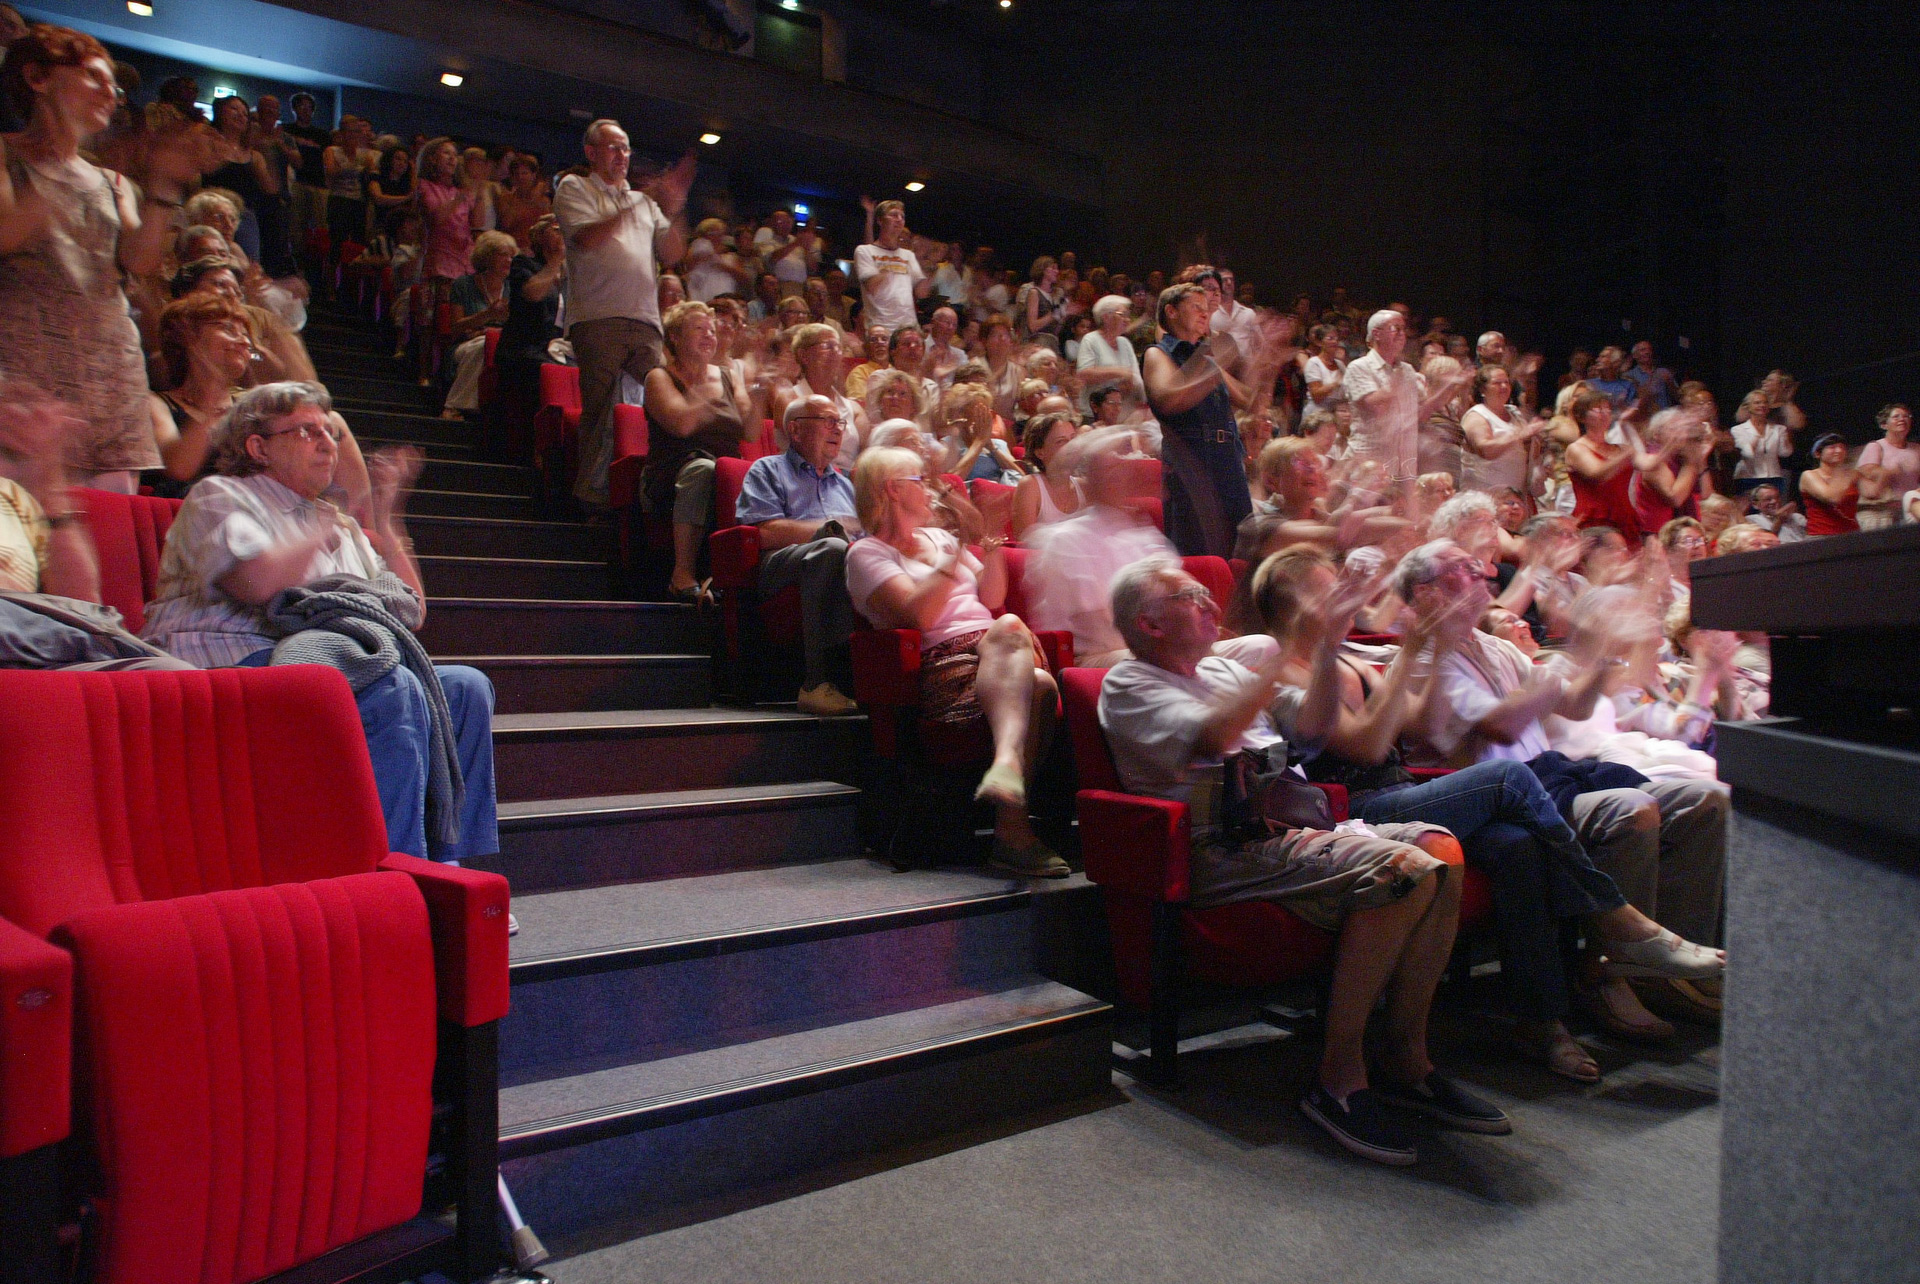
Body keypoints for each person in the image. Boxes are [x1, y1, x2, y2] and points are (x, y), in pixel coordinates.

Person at [1255, 545, 1722, 1081]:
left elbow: (1413, 728)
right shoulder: (1283, 673)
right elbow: (1362, 749)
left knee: (1516, 845)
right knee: (1511, 776)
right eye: (1329, 586)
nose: (1347, 591)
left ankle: (1542, 1022)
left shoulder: (1355, 659)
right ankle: (1617, 919)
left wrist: (1418, 645)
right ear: (1293, 605)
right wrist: (1413, 649)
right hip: (1351, 810)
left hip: (1403, 790)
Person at [1098, 557, 1506, 1163]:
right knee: (1403, 872)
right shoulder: (1129, 682)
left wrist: (1327, 647)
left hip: (1293, 826)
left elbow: (1314, 727)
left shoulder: (1219, 667)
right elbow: (1213, 737)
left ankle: (1407, 1059)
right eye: (1190, 597)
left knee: (1440, 850)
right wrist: (1277, 657)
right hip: (1223, 848)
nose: (1212, 604)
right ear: (1150, 625)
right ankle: (1338, 1079)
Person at [139, 383, 499, 865]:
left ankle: (455, 867)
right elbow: (257, 582)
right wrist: (321, 528)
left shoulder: (337, 523)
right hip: (233, 660)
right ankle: (398, 871)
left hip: (327, 657)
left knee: (465, 688)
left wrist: (386, 522)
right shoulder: (219, 496)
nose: (329, 444)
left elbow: (411, 609)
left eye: (331, 432)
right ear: (258, 446)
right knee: (389, 684)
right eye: (308, 432)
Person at [1398, 539, 1731, 1034]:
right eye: (1460, 572)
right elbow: (1503, 725)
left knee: (1706, 799)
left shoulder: (1496, 647)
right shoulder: (1427, 657)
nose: (1479, 576)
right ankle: (1607, 977)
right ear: (1423, 594)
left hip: (1549, 778)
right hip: (1503, 798)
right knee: (1630, 808)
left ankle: (1663, 974)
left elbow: (1573, 705)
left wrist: (1602, 656)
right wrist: (1568, 662)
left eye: (1475, 569)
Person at [0, 25, 211, 494]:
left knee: (102, 534)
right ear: (37, 77)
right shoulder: (5, 155)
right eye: (94, 77)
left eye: (114, 85)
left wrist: (161, 184)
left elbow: (140, 263)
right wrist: (54, 167)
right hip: (25, 372)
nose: (111, 94)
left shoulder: (114, 182)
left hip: (109, 375)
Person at [847, 445, 1065, 876]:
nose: (930, 490)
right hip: (943, 665)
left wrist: (988, 545)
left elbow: (992, 597)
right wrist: (956, 550)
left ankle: (1009, 799)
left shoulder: (940, 539)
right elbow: (921, 615)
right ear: (892, 489)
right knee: (1039, 684)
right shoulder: (865, 554)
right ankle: (1011, 827)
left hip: (998, 649)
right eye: (919, 481)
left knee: (1007, 625)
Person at [1027, 426, 1276, 669]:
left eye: (1125, 467)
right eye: (1113, 467)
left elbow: (1184, 594)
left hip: (1168, 641)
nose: (1126, 473)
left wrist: (1200, 627)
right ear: (1091, 477)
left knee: (1262, 647)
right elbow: (1105, 624)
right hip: (1109, 655)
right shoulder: (1064, 539)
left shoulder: (1143, 532)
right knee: (1189, 663)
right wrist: (1182, 635)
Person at [554, 119, 693, 511]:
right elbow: (586, 238)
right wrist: (633, 202)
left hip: (646, 319)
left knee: (662, 405)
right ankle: (589, 500)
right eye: (613, 148)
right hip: (598, 318)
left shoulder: (645, 203)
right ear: (591, 152)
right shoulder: (574, 188)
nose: (622, 156)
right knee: (598, 413)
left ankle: (652, 491)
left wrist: (675, 209)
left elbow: (672, 254)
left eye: (626, 148)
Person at [735, 394, 863, 715]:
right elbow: (764, 532)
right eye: (827, 421)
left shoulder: (846, 485)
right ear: (795, 431)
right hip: (781, 564)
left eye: (840, 422)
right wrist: (829, 528)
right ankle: (816, 683)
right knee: (832, 545)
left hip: (841, 561)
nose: (838, 429)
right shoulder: (768, 469)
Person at [1145, 282, 1279, 558]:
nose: (1205, 313)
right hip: (1192, 461)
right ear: (1171, 311)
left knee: (1239, 546)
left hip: (1226, 458)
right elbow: (1168, 400)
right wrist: (1210, 354)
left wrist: (1266, 364)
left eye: (1206, 308)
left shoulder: (1207, 357)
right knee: (1198, 547)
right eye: (1195, 306)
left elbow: (1251, 402)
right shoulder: (1158, 354)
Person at [641, 300, 753, 600]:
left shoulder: (729, 376)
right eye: (699, 329)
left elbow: (751, 431)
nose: (709, 335)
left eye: (712, 330)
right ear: (674, 337)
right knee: (703, 470)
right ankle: (682, 573)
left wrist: (764, 391)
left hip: (726, 468)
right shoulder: (659, 377)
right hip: (673, 473)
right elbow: (681, 425)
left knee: (759, 477)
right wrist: (703, 391)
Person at [1342, 309, 1471, 501]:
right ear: (1376, 333)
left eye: (1403, 329)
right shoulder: (1360, 367)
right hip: (1367, 462)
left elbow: (1423, 412)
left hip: (1400, 466)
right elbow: (1376, 406)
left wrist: (1448, 386)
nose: (1402, 334)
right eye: (1396, 328)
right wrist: (1397, 378)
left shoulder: (1407, 370)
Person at [146, 293, 251, 497]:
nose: (245, 342)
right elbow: (178, 468)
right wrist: (211, 396)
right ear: (188, 338)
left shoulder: (252, 406)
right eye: (228, 329)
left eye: (246, 335)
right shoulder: (155, 403)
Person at [1566, 387, 1682, 547]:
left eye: (1607, 408)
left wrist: (1673, 441)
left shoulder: (1620, 448)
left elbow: (1649, 463)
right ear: (1581, 417)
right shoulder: (1576, 448)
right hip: (1595, 519)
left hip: (1623, 516)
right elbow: (1597, 473)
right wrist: (1624, 455)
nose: (1604, 413)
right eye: (1598, 409)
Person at [494, 213, 566, 457]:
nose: (563, 233)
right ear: (539, 235)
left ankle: (564, 449)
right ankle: (539, 448)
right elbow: (533, 294)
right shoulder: (524, 265)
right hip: (526, 347)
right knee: (547, 371)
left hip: (561, 348)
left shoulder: (575, 274)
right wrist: (555, 262)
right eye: (557, 228)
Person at [439, 230, 515, 420]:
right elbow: (455, 327)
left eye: (511, 256)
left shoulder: (513, 288)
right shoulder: (463, 284)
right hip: (466, 343)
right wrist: (488, 314)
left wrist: (492, 331)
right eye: (502, 254)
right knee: (482, 347)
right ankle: (454, 405)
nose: (508, 260)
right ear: (487, 257)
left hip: (502, 341)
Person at [1460, 364, 1540, 499]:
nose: (1504, 387)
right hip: (1484, 495)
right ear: (1482, 390)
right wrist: (1519, 435)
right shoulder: (1477, 415)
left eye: (1506, 382)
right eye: (1497, 383)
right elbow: (1486, 450)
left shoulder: (1514, 413)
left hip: (1515, 493)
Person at [853, 199, 930, 333]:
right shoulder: (864, 251)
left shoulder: (908, 255)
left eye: (902, 216)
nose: (899, 219)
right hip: (881, 329)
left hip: (909, 328)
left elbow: (922, 293)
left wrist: (929, 262)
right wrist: (892, 265)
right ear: (880, 220)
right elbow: (872, 287)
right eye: (894, 215)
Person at [1010, 410, 1083, 540]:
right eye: (1061, 441)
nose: (1072, 446)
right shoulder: (1030, 486)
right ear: (1040, 452)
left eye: (1073, 438)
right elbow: (1023, 543)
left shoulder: (1084, 486)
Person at [1074, 293, 1141, 414]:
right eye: (1123, 315)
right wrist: (1119, 372)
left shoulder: (1124, 343)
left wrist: (1130, 382)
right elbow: (1084, 374)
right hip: (1094, 413)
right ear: (1106, 317)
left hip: (1122, 412)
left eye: (1128, 315)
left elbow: (1135, 377)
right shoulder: (1091, 339)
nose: (1128, 320)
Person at [1857, 403, 1916, 531]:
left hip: (1912, 510)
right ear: (1884, 424)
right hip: (1885, 514)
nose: (1902, 419)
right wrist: (1890, 471)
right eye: (1896, 416)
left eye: (1906, 416)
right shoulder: (1876, 447)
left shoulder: (1916, 449)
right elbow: (1867, 475)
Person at [1730, 389, 1793, 494]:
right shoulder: (1738, 430)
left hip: (1773, 477)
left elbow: (1785, 453)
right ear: (1748, 407)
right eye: (1757, 403)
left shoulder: (1779, 429)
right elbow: (1748, 453)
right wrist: (1759, 436)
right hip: (1748, 478)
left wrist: (1786, 437)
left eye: (1765, 402)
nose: (1762, 405)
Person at [1797, 432, 1861, 536]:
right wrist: (1842, 471)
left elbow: (1872, 492)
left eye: (1842, 447)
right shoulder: (1809, 475)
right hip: (1822, 536)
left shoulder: (1852, 474)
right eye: (1832, 447)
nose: (1839, 450)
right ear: (1818, 453)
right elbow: (1831, 498)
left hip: (1852, 533)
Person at [494, 153, 549, 252]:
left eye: (524, 173)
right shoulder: (506, 198)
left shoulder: (544, 199)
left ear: (533, 175)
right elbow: (506, 225)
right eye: (516, 174)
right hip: (514, 248)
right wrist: (517, 198)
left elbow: (547, 226)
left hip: (539, 249)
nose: (520, 177)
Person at [1622, 340, 1678, 410]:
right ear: (1634, 355)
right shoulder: (1628, 375)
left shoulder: (1663, 372)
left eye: (1649, 350)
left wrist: (1670, 383)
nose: (1647, 352)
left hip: (1664, 417)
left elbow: (1678, 397)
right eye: (1643, 350)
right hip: (1642, 418)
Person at [843, 323, 890, 400]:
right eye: (874, 340)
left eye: (884, 339)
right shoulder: (859, 372)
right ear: (865, 347)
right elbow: (860, 402)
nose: (880, 343)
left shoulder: (897, 370)